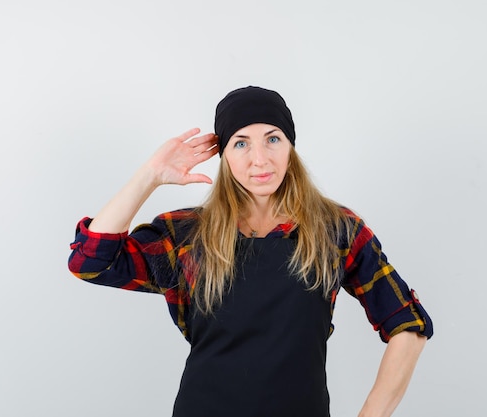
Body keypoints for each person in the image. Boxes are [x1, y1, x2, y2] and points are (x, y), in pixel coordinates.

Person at [68, 86, 433, 417]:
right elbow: (91, 262)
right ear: (224, 155)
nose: (260, 159)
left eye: (272, 139)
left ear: (290, 147)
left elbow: (408, 324)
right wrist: (150, 175)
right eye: (241, 143)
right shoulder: (186, 234)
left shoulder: (335, 229)